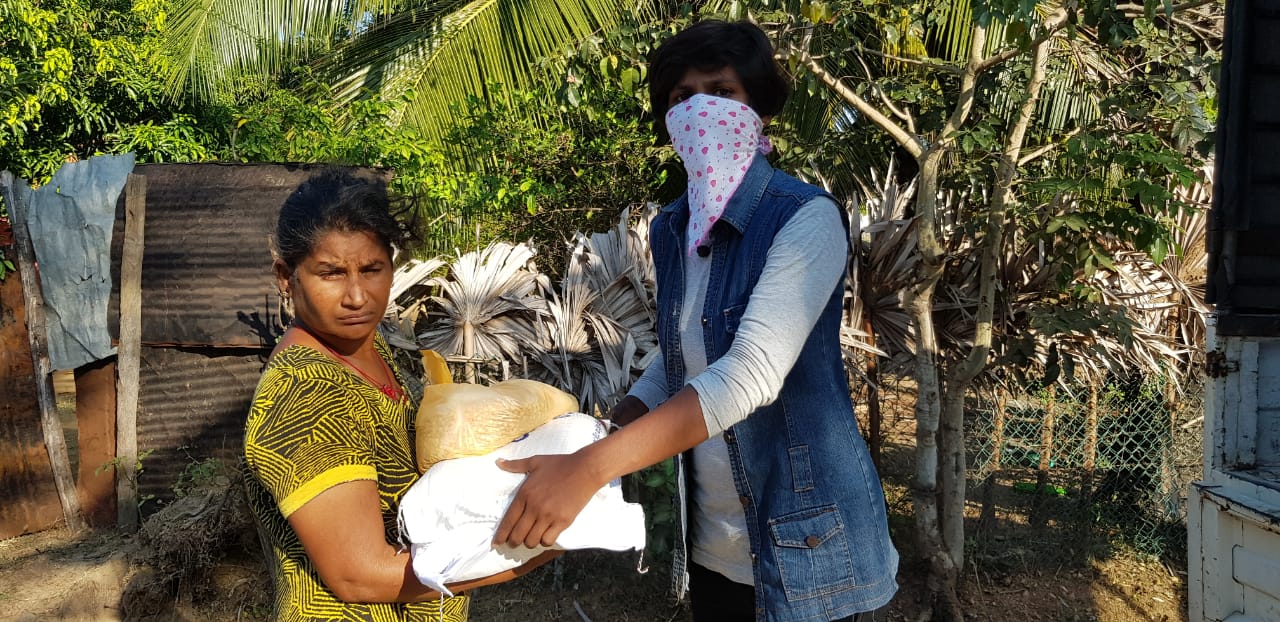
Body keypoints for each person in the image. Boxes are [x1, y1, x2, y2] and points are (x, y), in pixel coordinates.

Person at [494, 19, 899, 621]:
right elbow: (682, 353)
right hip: (712, 542)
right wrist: (614, 425)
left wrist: (590, 468)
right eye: (682, 97)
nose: (700, 110)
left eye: (722, 91)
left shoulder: (804, 218)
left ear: (758, 107)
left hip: (809, 546)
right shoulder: (673, 227)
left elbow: (749, 374)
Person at [243, 170, 554, 621]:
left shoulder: (367, 348)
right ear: (286, 278)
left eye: (371, 269)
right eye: (331, 273)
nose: (356, 296)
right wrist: (529, 552)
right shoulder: (304, 393)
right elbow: (360, 575)